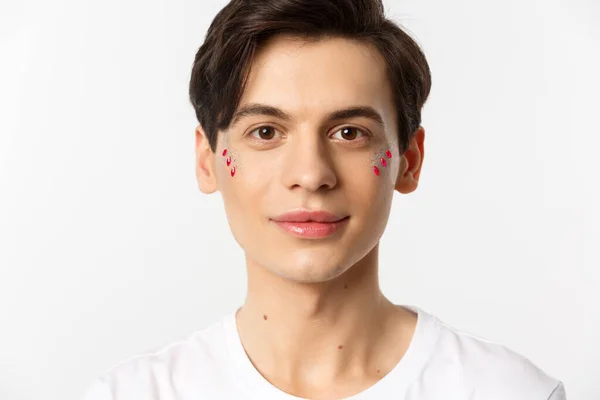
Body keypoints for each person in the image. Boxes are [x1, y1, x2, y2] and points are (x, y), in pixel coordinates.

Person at [83, 0, 566, 398]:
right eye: (266, 131)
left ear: (409, 160)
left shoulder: (510, 392)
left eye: (349, 132)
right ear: (207, 160)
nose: (311, 175)